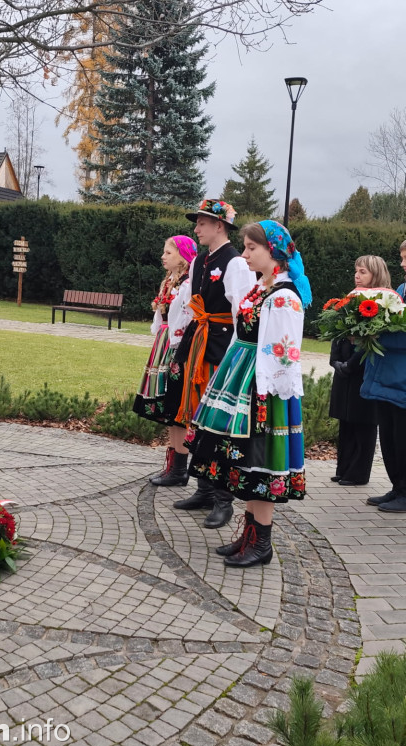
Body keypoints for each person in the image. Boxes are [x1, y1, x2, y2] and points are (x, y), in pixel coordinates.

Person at [187, 220, 312, 568]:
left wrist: (262, 393)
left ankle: (262, 543)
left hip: (264, 388)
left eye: (251, 248)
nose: (244, 254)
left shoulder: (284, 297)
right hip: (243, 376)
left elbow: (284, 353)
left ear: (273, 252)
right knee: (245, 463)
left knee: (261, 462)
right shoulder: (262, 288)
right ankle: (250, 536)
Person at [162, 199, 255, 529]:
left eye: (202, 223)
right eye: (197, 223)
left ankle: (222, 500)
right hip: (198, 341)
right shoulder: (201, 259)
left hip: (217, 348)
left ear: (220, 225)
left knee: (218, 422)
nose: (196, 228)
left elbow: (241, 313)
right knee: (197, 419)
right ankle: (202, 488)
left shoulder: (235, 263)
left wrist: (230, 359)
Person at [133, 236, 198, 485]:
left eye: (168, 252)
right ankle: (173, 465)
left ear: (182, 256)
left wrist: (176, 346)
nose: (163, 256)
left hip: (177, 347)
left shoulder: (189, 284)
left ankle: (179, 468)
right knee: (168, 407)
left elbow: (187, 317)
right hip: (164, 342)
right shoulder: (170, 282)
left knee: (176, 405)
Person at [329, 255, 391, 486]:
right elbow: (337, 331)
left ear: (376, 274)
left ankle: (358, 473)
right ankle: (343, 468)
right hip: (344, 368)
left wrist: (352, 364)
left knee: (362, 422)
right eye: (356, 270)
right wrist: (335, 360)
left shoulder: (384, 301)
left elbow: (372, 339)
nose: (357, 275)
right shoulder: (351, 297)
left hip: (363, 370)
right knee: (345, 420)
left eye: (363, 271)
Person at [361, 240, 406, 513]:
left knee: (402, 436)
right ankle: (398, 486)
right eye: (401, 257)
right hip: (388, 376)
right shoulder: (401, 290)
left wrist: (380, 332)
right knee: (389, 436)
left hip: (401, 378)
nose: (402, 263)